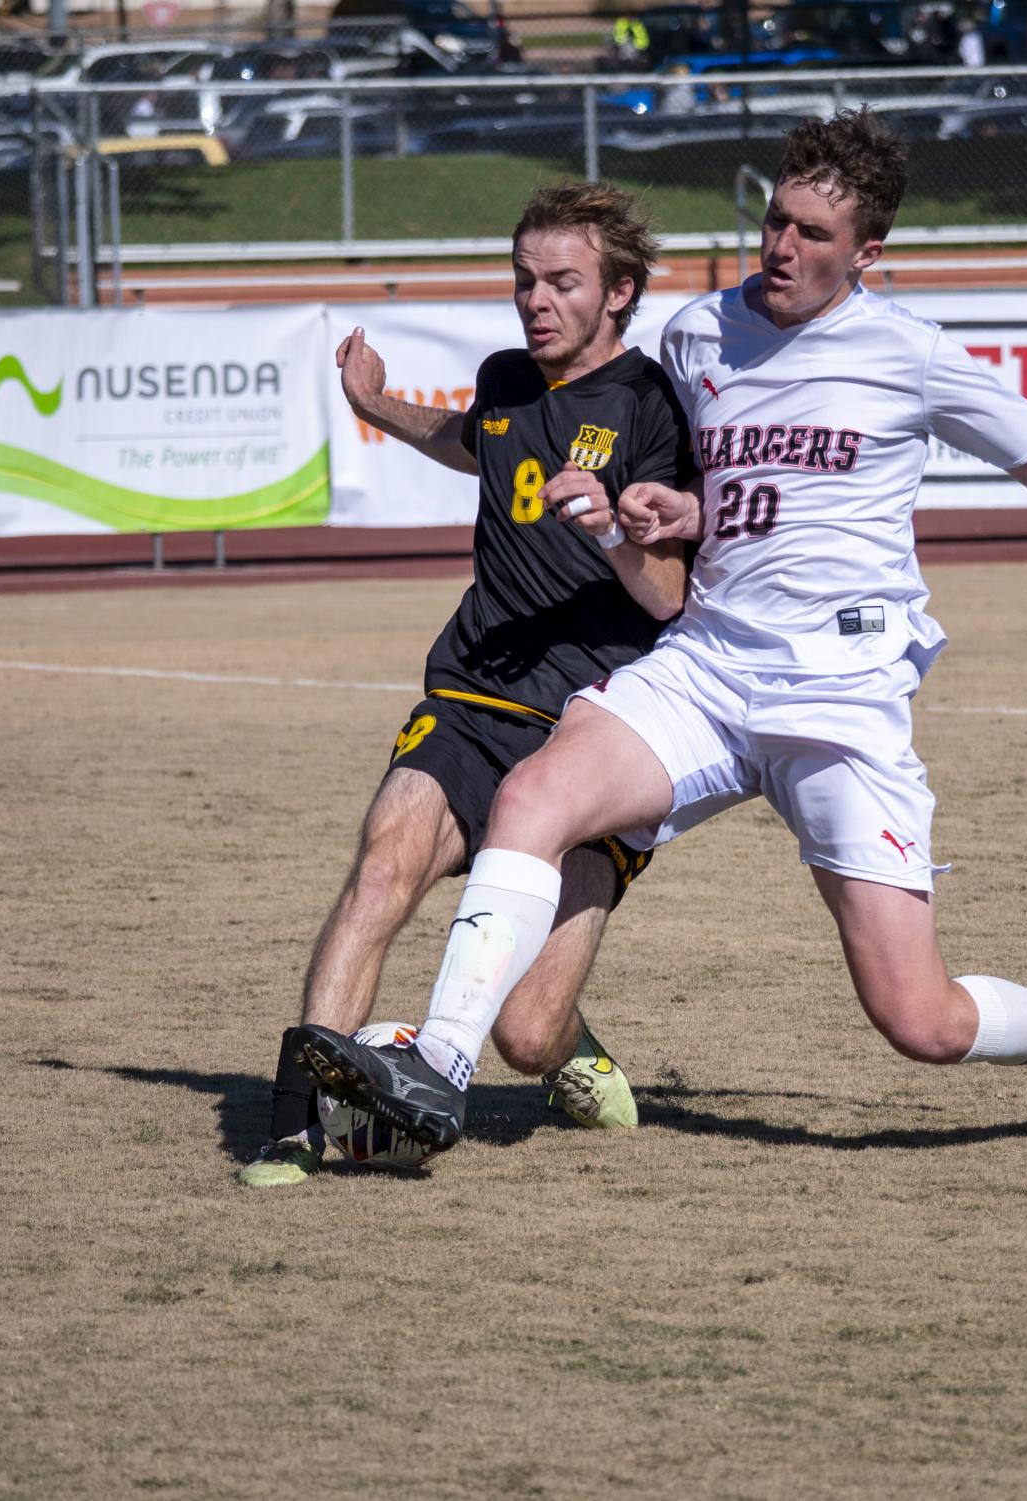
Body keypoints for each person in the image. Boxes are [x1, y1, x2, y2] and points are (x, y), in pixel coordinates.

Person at [291, 108, 1027, 1155]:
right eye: (774, 221)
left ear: (868, 254)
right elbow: (732, 495)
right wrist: (676, 514)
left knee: (918, 1019)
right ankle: (438, 1067)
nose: (781, 248)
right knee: (533, 794)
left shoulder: (913, 355)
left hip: (837, 692)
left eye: (811, 233)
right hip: (708, 667)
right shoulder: (701, 334)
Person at [239, 181, 695, 1186]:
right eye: (524, 280)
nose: (536, 300)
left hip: (599, 730)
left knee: (523, 1038)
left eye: (563, 283)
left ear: (619, 291)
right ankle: (294, 1121)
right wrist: (376, 405)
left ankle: (569, 1044)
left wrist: (613, 527)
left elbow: (668, 596)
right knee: (383, 864)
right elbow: (475, 442)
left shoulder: (653, 406)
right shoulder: (506, 377)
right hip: (475, 693)